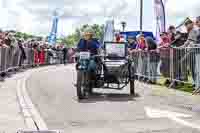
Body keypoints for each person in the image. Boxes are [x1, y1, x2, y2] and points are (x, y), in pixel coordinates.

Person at [182, 18, 200, 92]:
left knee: (196, 69)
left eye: (197, 21)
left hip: (195, 50)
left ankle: (196, 84)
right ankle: (196, 84)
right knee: (195, 69)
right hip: (195, 51)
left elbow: (190, 41)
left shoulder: (194, 30)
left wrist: (195, 44)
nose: (196, 23)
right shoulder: (196, 30)